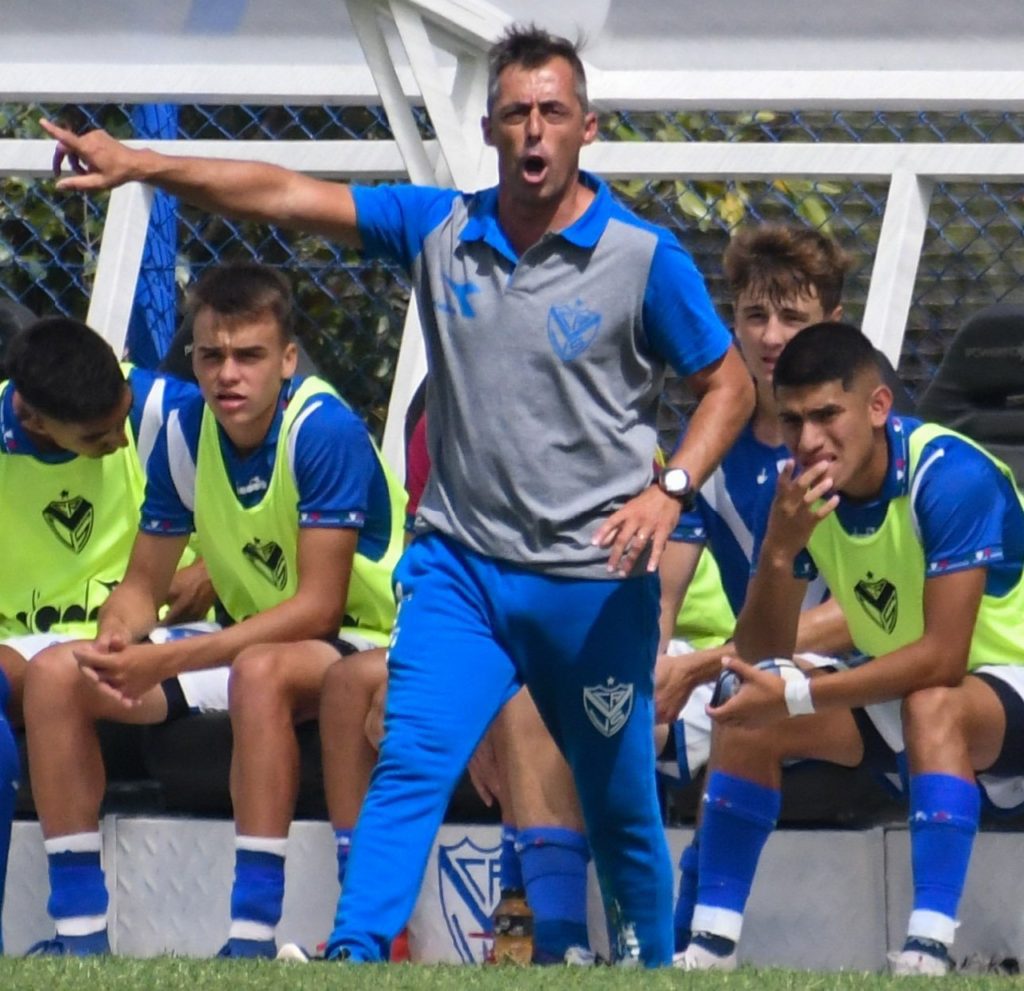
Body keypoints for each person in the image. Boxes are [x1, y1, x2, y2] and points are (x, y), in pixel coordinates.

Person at [43, 24, 753, 966]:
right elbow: (285, 195)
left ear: (588, 128)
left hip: (592, 579)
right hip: (462, 574)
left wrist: (670, 488)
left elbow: (731, 383)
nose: (533, 131)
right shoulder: (440, 230)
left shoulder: (642, 256)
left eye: (551, 112)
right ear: (493, 131)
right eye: (514, 114)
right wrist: (143, 164)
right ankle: (355, 951)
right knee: (411, 761)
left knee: (620, 797)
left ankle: (650, 964)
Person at [22, 263, 406, 957]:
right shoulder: (179, 430)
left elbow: (318, 609)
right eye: (211, 355)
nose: (228, 373)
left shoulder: (323, 430)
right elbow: (143, 585)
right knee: (55, 673)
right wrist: (116, 636)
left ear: (288, 359)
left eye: (250, 355)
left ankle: (251, 934)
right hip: (245, 638)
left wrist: (165, 657)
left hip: (370, 637)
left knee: (258, 673)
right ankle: (79, 937)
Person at [678, 321, 1024, 976]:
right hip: (909, 691)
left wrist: (802, 690)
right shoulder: (795, 489)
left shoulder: (950, 477)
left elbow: (944, 657)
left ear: (877, 406)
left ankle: (927, 951)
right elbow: (760, 661)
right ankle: (708, 947)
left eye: (827, 415)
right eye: (793, 420)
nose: (809, 440)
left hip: (1005, 683)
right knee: (744, 703)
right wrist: (780, 551)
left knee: (931, 701)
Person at [0, 314, 203, 953]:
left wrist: (209, 571)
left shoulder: (171, 410)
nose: (119, 440)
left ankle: (79, 932)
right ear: (33, 419)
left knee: (58, 675)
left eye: (122, 418)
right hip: (19, 646)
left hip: (162, 636)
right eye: (96, 436)